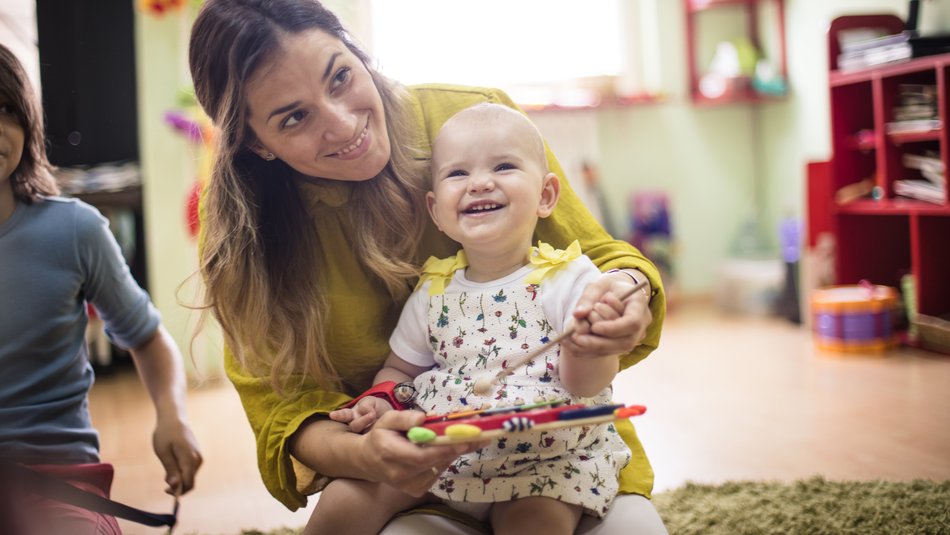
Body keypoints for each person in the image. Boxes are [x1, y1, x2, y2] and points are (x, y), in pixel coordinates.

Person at [187, 1, 667, 533]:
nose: (344, 124)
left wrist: (623, 295)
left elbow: (604, 264)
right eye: (294, 117)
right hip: (413, 473)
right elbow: (285, 412)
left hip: (558, 460)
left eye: (341, 76)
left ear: (357, 53)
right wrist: (368, 444)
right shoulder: (247, 234)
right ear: (257, 143)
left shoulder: (477, 119)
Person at [312, 102, 637, 534]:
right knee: (345, 499)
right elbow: (400, 369)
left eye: (503, 166)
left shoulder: (571, 279)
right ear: (435, 211)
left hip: (545, 457)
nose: (479, 183)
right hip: (445, 451)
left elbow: (587, 384)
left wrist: (584, 343)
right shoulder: (434, 289)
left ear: (545, 196)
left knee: (534, 522)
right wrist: (383, 398)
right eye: (457, 174)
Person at [0, 43, 203, 534]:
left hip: (56, 483)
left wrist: (171, 415)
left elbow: (148, 338)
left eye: (4, 108)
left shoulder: (74, 230)